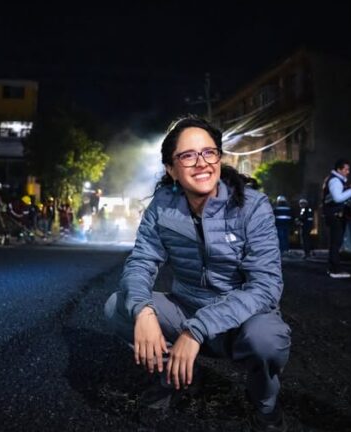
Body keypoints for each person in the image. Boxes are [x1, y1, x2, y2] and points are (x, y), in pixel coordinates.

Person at [104, 117, 291, 432]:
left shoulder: (252, 206)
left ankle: (265, 405)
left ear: (219, 157)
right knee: (117, 307)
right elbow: (141, 261)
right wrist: (143, 310)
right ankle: (175, 376)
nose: (201, 162)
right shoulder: (163, 206)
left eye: (209, 152)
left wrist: (196, 331)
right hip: (186, 306)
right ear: (171, 169)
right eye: (188, 155)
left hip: (241, 319)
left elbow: (265, 287)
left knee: (267, 340)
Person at [321, 158, 351, 278]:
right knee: (336, 243)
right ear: (339, 169)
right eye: (346, 169)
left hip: (334, 215)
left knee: (335, 243)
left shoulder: (335, 180)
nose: (348, 172)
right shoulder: (335, 181)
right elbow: (337, 198)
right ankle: (335, 269)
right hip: (336, 215)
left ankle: (333, 267)